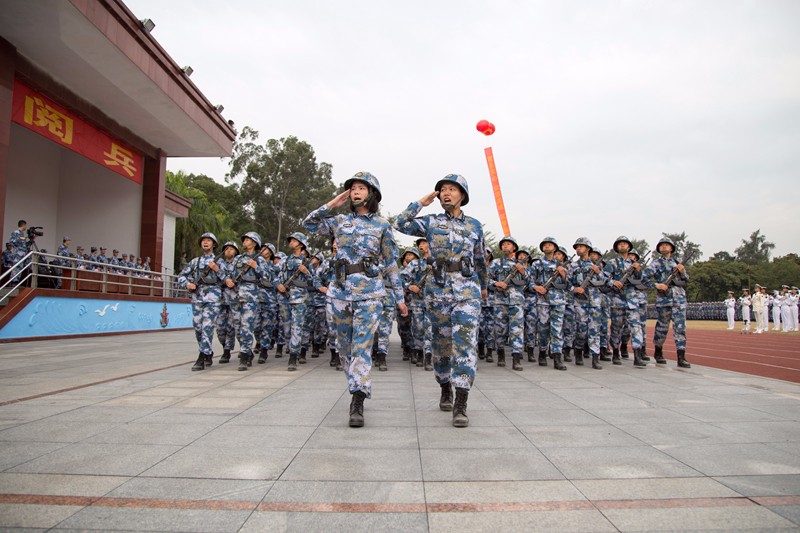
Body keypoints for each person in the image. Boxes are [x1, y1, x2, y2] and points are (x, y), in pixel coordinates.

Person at [304, 171, 407, 427]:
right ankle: (355, 385)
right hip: (339, 292)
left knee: (362, 345)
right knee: (345, 348)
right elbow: (308, 224)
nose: (355, 191)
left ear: (371, 194)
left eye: (361, 187)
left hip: (370, 292)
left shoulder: (382, 225)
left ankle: (357, 398)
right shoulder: (338, 221)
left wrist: (400, 297)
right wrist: (331, 204)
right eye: (352, 188)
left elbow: (392, 263)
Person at [396, 173, 487, 428]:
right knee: (441, 345)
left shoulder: (475, 226)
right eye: (442, 190)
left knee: (466, 344)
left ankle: (461, 402)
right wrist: (421, 203)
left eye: (452, 189)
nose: (446, 193)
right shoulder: (430, 222)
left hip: (467, 291)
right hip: (437, 292)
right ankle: (444, 385)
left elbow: (480, 260)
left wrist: (484, 287)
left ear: (463, 195)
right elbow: (399, 223)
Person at [178, 232, 226, 371]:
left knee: (207, 326)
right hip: (198, 298)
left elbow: (228, 280)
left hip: (213, 299)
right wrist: (188, 284)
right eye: (203, 240)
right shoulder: (195, 262)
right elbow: (181, 276)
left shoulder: (220, 262)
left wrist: (217, 270)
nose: (205, 242)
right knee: (198, 327)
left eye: (209, 241)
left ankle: (201, 356)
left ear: (214, 244)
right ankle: (208, 352)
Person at [643, 237, 690, 368]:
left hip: (679, 300)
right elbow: (644, 278)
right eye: (662, 245)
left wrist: (682, 271)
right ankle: (658, 351)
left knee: (680, 328)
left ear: (671, 248)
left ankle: (681, 357)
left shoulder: (677, 263)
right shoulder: (655, 264)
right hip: (664, 300)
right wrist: (657, 285)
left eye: (666, 245)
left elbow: (686, 279)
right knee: (662, 328)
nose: (664, 247)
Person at [604, 235, 647, 367]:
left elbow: (642, 281)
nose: (622, 245)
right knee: (616, 328)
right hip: (617, 300)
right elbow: (603, 278)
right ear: (617, 247)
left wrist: (638, 271)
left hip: (632, 301)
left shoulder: (634, 264)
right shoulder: (612, 263)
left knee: (636, 327)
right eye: (620, 244)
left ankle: (637, 355)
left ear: (629, 247)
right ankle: (616, 352)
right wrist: (613, 282)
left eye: (625, 244)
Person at [230, 232, 269, 370]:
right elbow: (230, 273)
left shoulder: (260, 260)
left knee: (247, 326)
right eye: (244, 239)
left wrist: (255, 267)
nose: (245, 241)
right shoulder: (238, 258)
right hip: (236, 295)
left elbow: (266, 276)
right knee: (238, 328)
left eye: (247, 240)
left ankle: (245, 355)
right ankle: (247, 350)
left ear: (254, 243)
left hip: (251, 296)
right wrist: (228, 280)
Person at [529, 237, 569, 370]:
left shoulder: (561, 265)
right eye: (545, 245)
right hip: (543, 301)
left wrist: (563, 275)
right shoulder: (537, 264)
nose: (547, 246)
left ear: (555, 247)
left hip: (558, 300)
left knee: (557, 330)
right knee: (543, 328)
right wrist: (536, 288)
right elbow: (529, 281)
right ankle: (542, 352)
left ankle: (557, 358)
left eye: (549, 245)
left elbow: (569, 284)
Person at [489, 235, 527, 370]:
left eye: (508, 244)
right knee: (500, 330)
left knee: (517, 330)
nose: (505, 246)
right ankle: (500, 355)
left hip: (516, 302)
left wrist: (523, 272)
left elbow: (529, 282)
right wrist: (496, 283)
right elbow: (486, 280)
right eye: (503, 244)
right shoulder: (495, 263)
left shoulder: (520, 264)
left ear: (514, 247)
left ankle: (516, 359)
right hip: (500, 301)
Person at [276, 232, 313, 371]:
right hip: (284, 297)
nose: (291, 241)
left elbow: (314, 280)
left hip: (300, 297)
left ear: (301, 244)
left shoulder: (306, 262)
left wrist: (306, 272)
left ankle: (293, 356)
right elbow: (274, 275)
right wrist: (277, 284)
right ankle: (291, 348)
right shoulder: (284, 260)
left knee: (297, 327)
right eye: (290, 239)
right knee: (286, 328)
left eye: (294, 240)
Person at [570, 238, 606, 369]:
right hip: (580, 302)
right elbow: (567, 283)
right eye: (577, 247)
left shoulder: (597, 265)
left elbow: (606, 281)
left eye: (581, 246)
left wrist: (599, 272)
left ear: (588, 248)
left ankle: (595, 358)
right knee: (581, 330)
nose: (578, 249)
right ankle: (578, 350)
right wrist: (574, 289)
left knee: (595, 330)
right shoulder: (574, 266)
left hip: (595, 302)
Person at [216, 241, 240, 364]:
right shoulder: (218, 263)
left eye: (231, 248)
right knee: (220, 327)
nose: (228, 250)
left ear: (235, 251)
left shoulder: (239, 263)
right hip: (221, 298)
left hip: (235, 299)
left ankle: (227, 351)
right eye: (226, 249)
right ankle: (224, 345)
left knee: (231, 327)